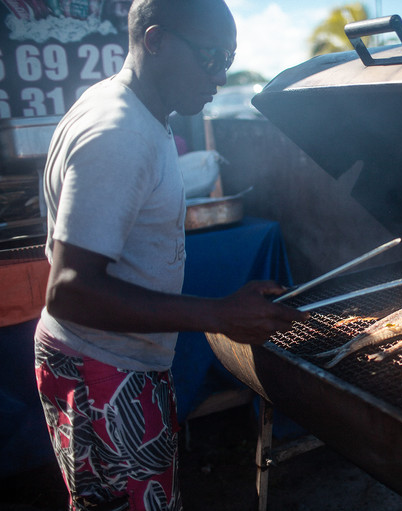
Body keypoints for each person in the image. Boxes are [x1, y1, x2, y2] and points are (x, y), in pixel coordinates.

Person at [33, 0, 308, 509]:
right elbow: (72, 291)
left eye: (228, 60)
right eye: (209, 58)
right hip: (102, 368)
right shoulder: (119, 132)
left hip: (106, 359)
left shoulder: (131, 109)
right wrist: (219, 314)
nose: (220, 77)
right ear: (155, 41)